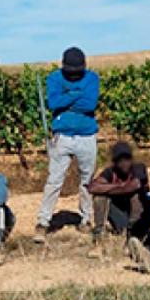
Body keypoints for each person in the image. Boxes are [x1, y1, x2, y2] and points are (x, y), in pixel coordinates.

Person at [35, 46, 101, 242]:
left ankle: (86, 219)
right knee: (54, 180)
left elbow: (90, 104)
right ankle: (43, 221)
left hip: (87, 136)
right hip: (62, 137)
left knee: (87, 180)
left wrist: (67, 97)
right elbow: (53, 103)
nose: (74, 77)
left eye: (77, 73)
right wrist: (77, 94)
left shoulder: (92, 78)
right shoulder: (54, 78)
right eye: (71, 74)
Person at [87, 141, 150, 247]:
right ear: (115, 162)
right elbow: (92, 187)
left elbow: (134, 186)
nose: (124, 163)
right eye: (120, 160)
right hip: (120, 214)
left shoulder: (138, 168)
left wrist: (108, 188)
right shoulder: (110, 172)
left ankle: (134, 233)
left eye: (127, 159)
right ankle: (100, 234)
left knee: (135, 195)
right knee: (99, 197)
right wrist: (120, 187)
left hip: (142, 216)